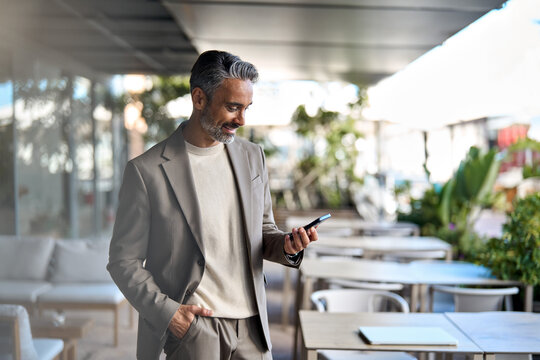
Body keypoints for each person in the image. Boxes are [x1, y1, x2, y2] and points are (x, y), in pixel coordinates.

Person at [107, 50, 319, 360]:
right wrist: (170, 314)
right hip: (195, 329)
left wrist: (288, 246)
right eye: (233, 107)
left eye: (246, 108)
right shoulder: (146, 170)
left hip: (253, 328)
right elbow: (122, 261)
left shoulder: (252, 157)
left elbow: (263, 230)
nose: (242, 120)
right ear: (199, 98)